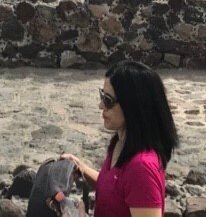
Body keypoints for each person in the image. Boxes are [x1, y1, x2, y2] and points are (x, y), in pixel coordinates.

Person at [60, 60, 177, 217]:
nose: (101, 105)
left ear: (133, 105)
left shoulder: (142, 168)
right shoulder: (121, 143)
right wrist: (80, 166)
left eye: (108, 100)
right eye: (102, 95)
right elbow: (114, 187)